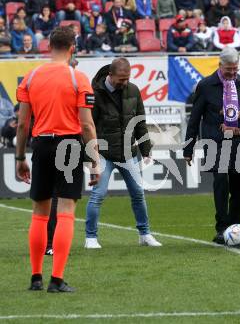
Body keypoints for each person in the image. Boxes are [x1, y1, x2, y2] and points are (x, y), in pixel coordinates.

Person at [16, 26, 100, 292]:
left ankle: (35, 277)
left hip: (41, 144)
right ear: (72, 47)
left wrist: (20, 157)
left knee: (39, 214)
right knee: (65, 211)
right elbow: (86, 126)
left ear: (48, 46)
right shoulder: (78, 79)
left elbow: (21, 124)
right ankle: (57, 279)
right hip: (69, 145)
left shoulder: (31, 76)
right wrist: (95, 160)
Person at [184, 47, 240, 244]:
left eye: (235, 69)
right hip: (215, 143)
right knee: (221, 183)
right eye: (229, 70)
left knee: (238, 187)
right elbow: (194, 118)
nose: (232, 73)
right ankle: (221, 228)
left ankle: (234, 227)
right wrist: (188, 147)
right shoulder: (205, 85)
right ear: (220, 65)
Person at [85, 58, 161, 249]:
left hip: (129, 152)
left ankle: (145, 234)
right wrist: (89, 158)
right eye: (121, 79)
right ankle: (91, 238)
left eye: (127, 78)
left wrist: (145, 150)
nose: (124, 82)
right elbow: (87, 127)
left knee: (138, 194)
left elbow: (140, 122)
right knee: (98, 195)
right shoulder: (94, 94)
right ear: (110, 75)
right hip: (103, 153)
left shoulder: (133, 90)